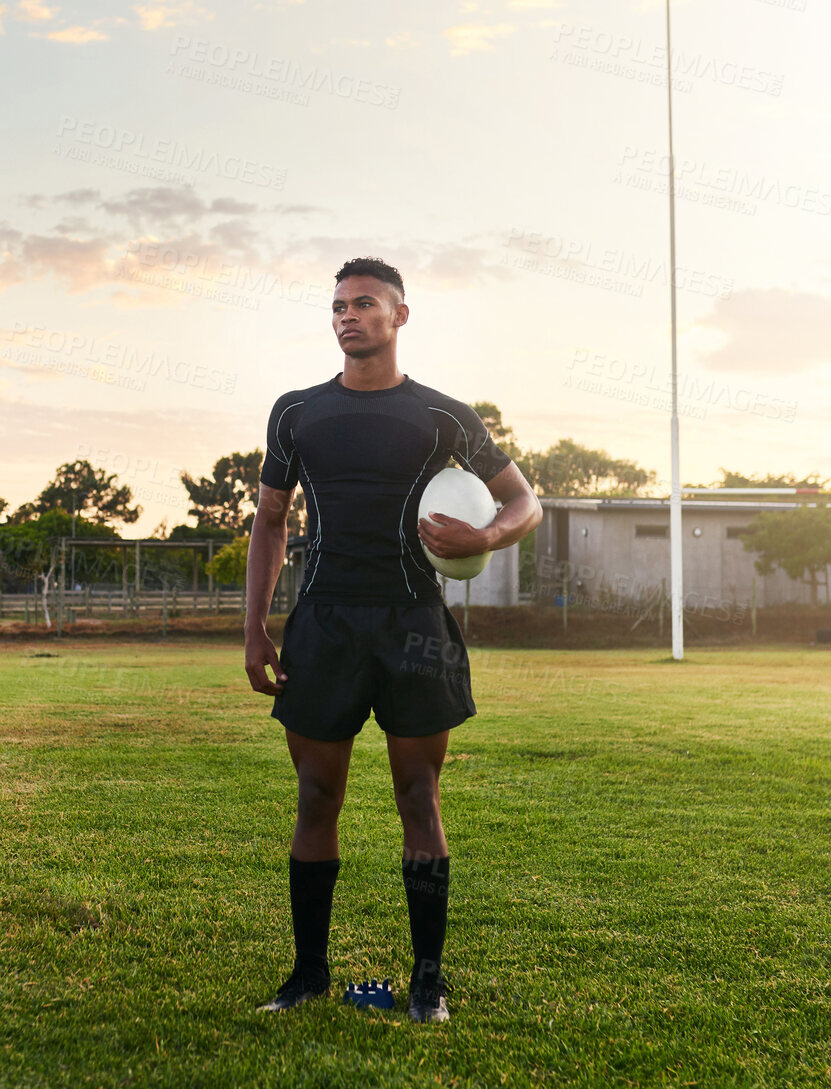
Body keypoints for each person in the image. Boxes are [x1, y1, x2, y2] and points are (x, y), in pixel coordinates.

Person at [243, 256, 542, 1023]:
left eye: (365, 303)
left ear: (399, 316)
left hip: (414, 624)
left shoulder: (443, 416)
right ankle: (307, 973)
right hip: (323, 624)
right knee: (315, 797)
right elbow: (270, 519)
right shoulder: (295, 412)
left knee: (420, 795)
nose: (348, 315)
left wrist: (487, 532)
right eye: (338, 305)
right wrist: (253, 626)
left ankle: (428, 981)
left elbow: (524, 502)